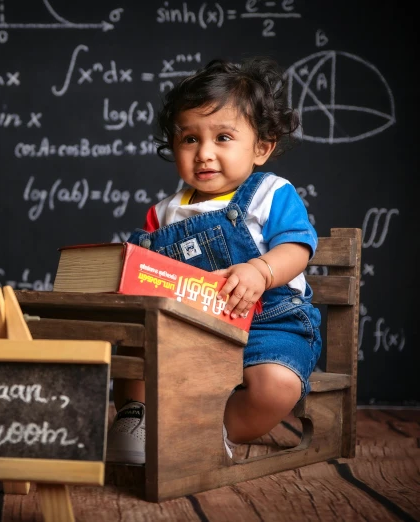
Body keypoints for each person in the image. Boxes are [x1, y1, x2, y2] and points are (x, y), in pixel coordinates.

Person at [106, 56, 322, 464]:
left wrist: (262, 269)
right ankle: (137, 417)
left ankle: (215, 431)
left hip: (269, 320)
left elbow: (297, 248)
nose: (204, 153)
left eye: (223, 137)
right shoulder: (164, 212)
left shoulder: (270, 193)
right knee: (134, 351)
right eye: (190, 139)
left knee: (276, 384)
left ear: (261, 147)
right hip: (189, 326)